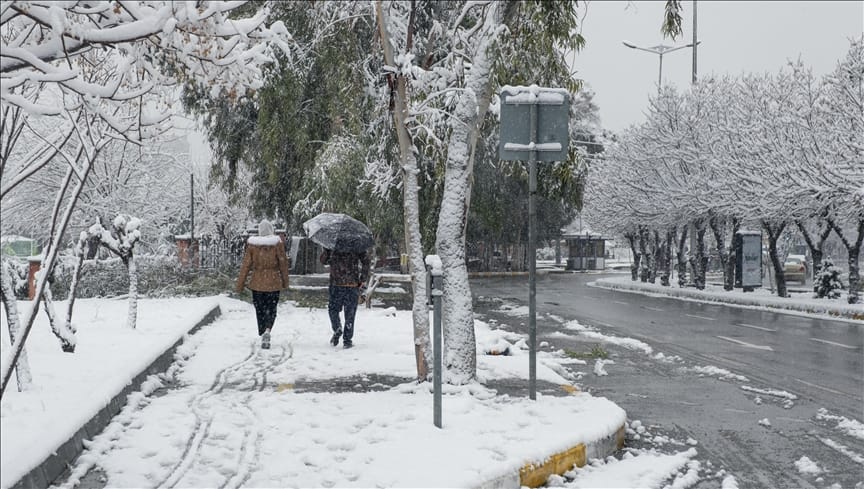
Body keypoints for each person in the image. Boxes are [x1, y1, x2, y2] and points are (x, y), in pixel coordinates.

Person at [235, 220, 290, 349]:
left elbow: (246, 265)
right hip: (274, 283)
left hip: (257, 283)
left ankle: (262, 330)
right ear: (271, 230)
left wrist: (240, 284)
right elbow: (283, 264)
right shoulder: (278, 244)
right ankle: (267, 330)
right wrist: (285, 282)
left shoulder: (252, 246)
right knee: (271, 309)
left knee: (259, 309)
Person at [320, 247, 371, 349]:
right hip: (352, 283)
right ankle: (347, 340)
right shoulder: (356, 242)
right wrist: (363, 278)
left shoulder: (333, 242)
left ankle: (337, 327)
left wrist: (327, 252)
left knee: (333, 309)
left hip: (336, 282)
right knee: (350, 313)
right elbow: (366, 261)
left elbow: (323, 260)